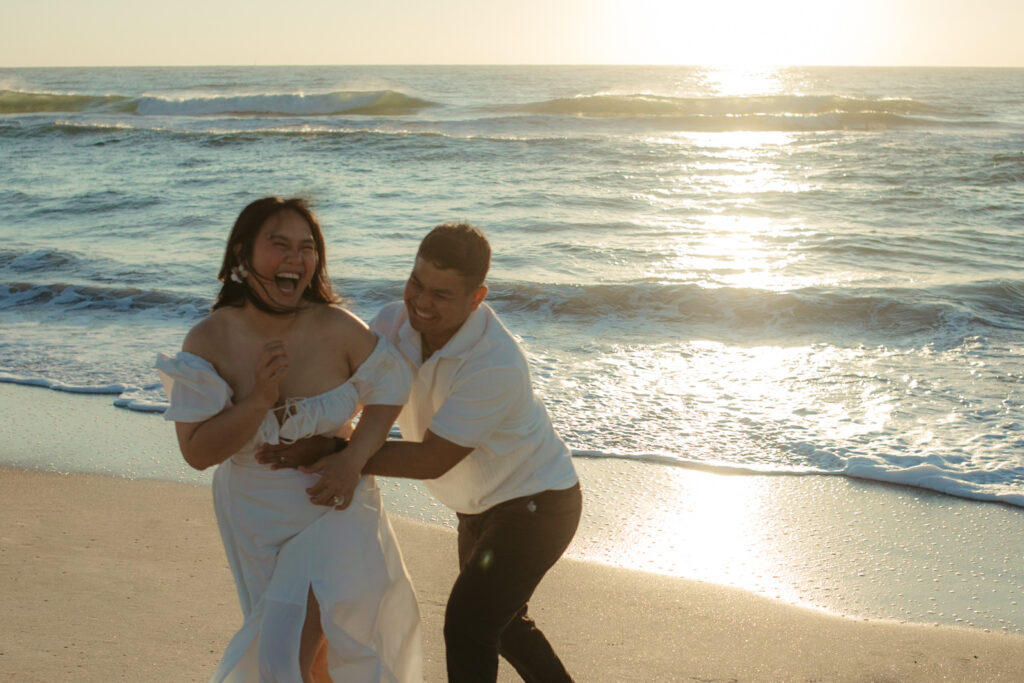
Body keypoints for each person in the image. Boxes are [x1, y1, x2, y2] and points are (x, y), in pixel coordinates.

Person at [261, 222, 581, 683]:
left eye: (442, 295)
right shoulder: (394, 321)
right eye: (416, 284)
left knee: (469, 624)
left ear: (477, 297)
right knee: (504, 626)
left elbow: (431, 459)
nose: (421, 303)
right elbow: (350, 387)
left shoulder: (495, 363)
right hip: (476, 507)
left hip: (537, 505)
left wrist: (338, 451)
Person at [156, 197, 422, 682]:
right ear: (243, 254)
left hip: (337, 508)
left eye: (307, 248)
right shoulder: (209, 340)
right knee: (315, 661)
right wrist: (258, 399)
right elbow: (197, 453)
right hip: (255, 515)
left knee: (290, 659)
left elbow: (392, 387)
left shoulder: (337, 327)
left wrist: (353, 460)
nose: (295, 259)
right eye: (279, 245)